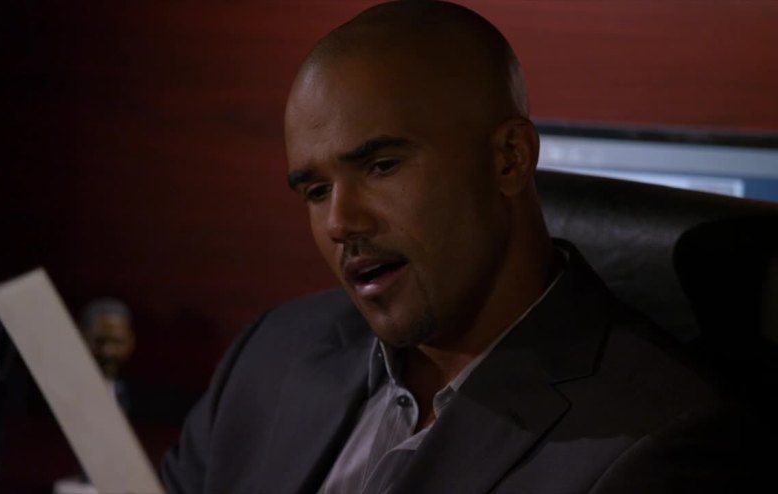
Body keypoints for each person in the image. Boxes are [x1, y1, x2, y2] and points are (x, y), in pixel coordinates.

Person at [162, 2, 762, 492]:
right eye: (316, 191)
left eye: (381, 166)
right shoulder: (269, 354)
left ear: (509, 159)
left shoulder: (656, 443)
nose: (340, 222)